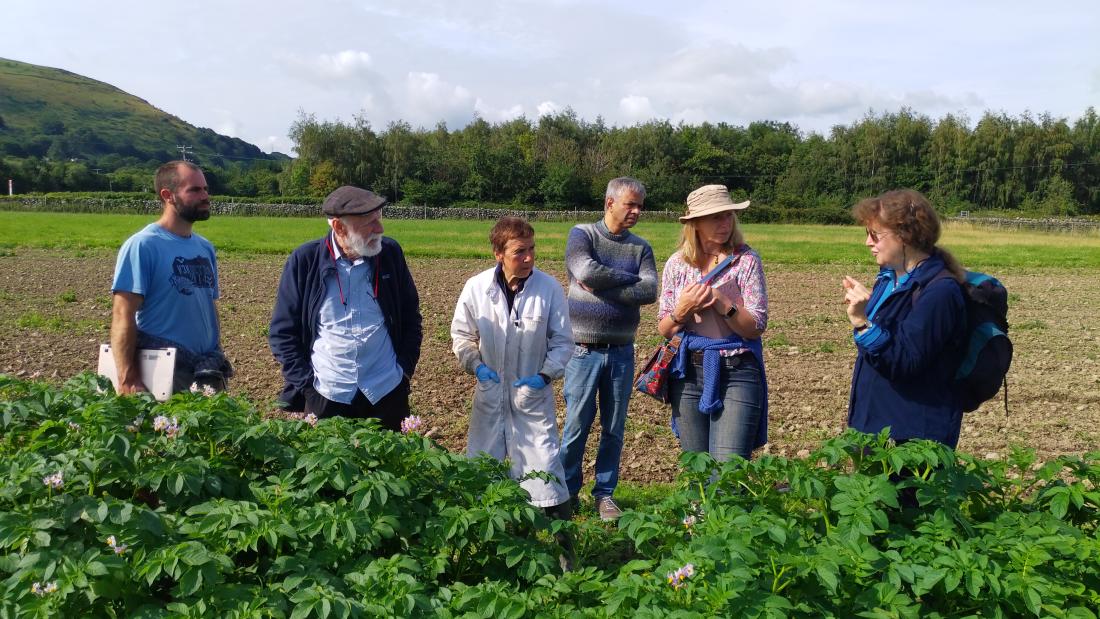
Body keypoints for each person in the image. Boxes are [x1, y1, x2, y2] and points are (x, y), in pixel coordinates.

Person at [269, 186, 422, 430]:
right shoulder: (304, 261)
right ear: (339, 228)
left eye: (380, 219)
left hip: (386, 390)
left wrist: (402, 371)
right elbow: (282, 333)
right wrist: (308, 386)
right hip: (328, 393)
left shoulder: (390, 254)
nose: (380, 229)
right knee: (328, 467)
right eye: (369, 223)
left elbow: (411, 317)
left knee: (389, 467)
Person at [450, 216, 573, 516]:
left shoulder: (549, 289)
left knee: (547, 474)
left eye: (532, 249)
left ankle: (567, 555)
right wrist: (476, 366)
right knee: (481, 475)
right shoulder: (477, 288)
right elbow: (461, 336)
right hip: (490, 397)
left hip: (531, 400)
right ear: (498, 254)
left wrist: (544, 376)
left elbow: (563, 343)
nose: (528, 257)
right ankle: (489, 546)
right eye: (519, 251)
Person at [558, 177, 657, 521]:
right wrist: (628, 279)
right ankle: (566, 493)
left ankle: (604, 495)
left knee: (614, 428)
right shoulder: (582, 234)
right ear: (609, 203)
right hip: (582, 352)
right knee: (576, 426)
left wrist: (603, 284)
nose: (636, 211)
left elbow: (650, 291)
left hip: (621, 352)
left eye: (640, 206)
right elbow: (584, 270)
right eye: (630, 204)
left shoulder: (641, 248)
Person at [842, 189, 967, 448]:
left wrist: (862, 323)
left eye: (875, 235)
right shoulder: (889, 278)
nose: (868, 242)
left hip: (911, 441)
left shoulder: (940, 292)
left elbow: (905, 361)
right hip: (875, 428)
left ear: (905, 236)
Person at [656, 185, 768, 462]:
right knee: (697, 467)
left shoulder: (746, 261)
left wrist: (722, 303)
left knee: (728, 469)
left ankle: (726, 507)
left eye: (728, 215)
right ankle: (699, 509)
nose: (725, 223)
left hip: (738, 370)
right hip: (687, 373)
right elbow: (665, 329)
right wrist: (681, 311)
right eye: (716, 217)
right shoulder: (677, 264)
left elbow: (756, 325)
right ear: (695, 224)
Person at [110, 160, 232, 394]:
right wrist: (126, 377)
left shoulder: (204, 248)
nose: (205, 196)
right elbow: (122, 314)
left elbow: (208, 306)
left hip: (206, 368)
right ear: (168, 195)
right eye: (195, 190)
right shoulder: (143, 245)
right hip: (164, 371)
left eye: (205, 189)